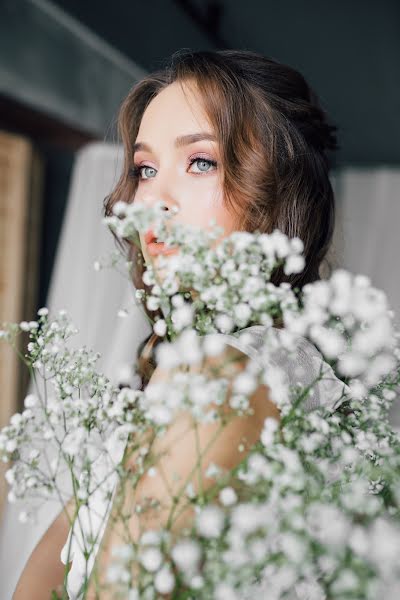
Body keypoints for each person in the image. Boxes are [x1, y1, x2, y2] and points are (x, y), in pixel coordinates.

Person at [12, 48, 343, 599]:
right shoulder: (201, 371)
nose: (153, 201)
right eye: (145, 169)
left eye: (201, 162)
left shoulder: (224, 373)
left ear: (278, 194)